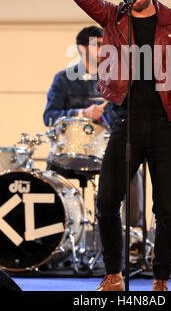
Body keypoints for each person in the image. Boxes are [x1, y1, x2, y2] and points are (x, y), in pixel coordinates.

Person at [65, 0, 171, 292]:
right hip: (126, 123)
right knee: (107, 202)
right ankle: (114, 276)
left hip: (167, 126)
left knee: (165, 209)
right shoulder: (113, 17)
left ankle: (160, 280)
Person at [43, 25, 144, 225]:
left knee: (134, 170)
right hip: (68, 154)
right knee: (48, 179)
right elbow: (49, 117)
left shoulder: (116, 79)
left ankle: (134, 237)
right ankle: (53, 236)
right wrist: (82, 113)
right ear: (82, 48)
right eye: (98, 45)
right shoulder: (63, 79)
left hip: (106, 151)